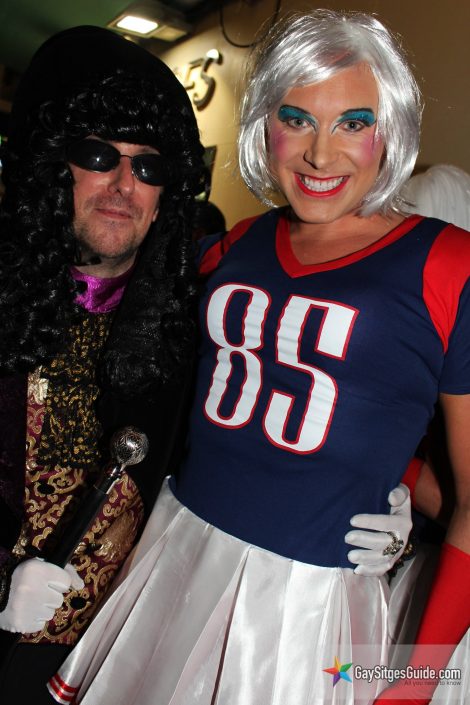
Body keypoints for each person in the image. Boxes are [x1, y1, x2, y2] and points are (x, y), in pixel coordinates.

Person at [44, 9, 470, 704]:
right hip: (175, 549)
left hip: (305, 601)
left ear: (390, 128)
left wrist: (416, 681)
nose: (320, 155)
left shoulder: (450, 264)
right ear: (264, 124)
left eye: (353, 122)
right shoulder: (235, 244)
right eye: (296, 119)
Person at [0, 25, 205, 704]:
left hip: (114, 662)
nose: (123, 184)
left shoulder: (190, 331)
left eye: (148, 167)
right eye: (99, 155)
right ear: (54, 166)